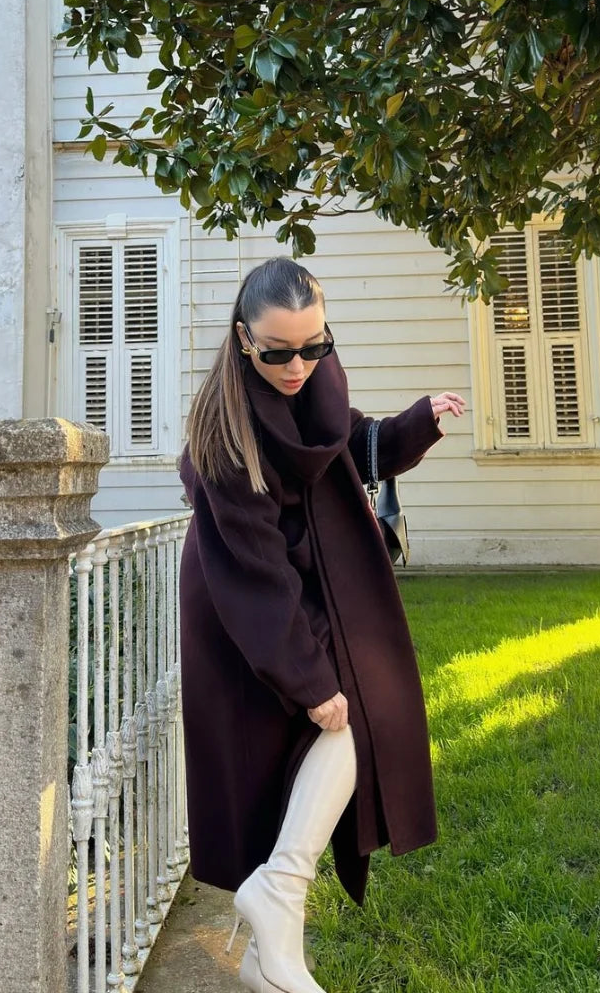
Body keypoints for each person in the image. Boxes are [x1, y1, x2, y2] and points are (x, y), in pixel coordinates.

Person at [178, 256, 465, 993]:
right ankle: (278, 901)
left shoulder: (310, 377)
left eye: (315, 346)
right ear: (243, 339)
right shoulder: (225, 435)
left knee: (365, 708)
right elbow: (254, 576)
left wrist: (417, 423)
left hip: (313, 583)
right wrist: (306, 679)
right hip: (244, 602)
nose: (298, 367)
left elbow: (347, 443)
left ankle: (271, 941)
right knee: (329, 723)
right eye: (278, 352)